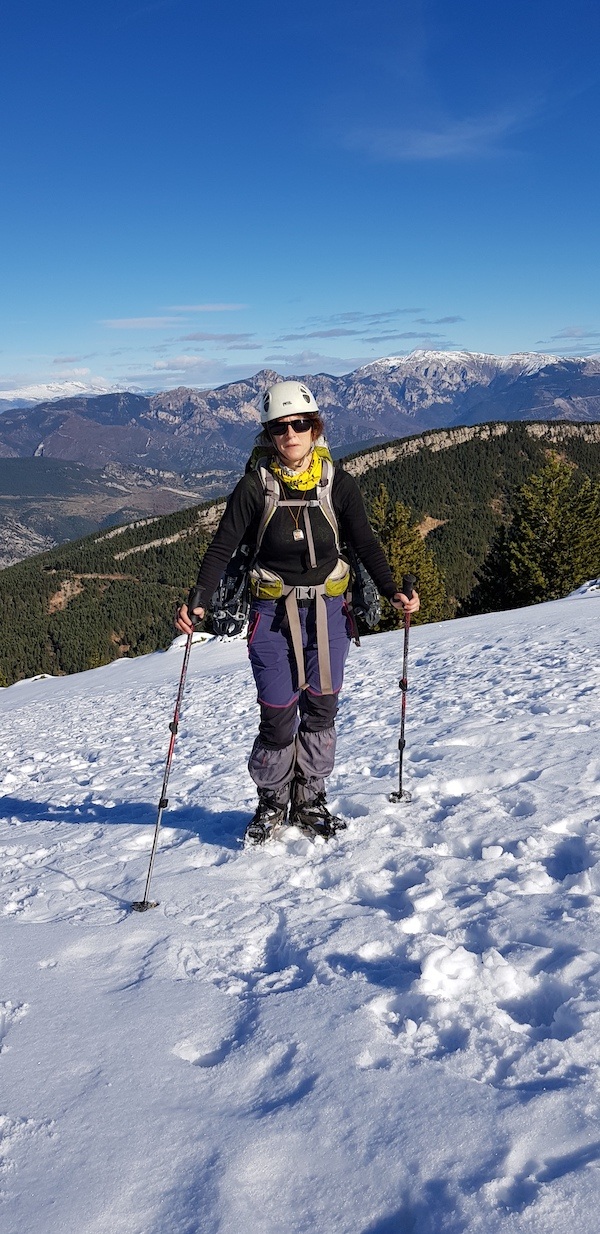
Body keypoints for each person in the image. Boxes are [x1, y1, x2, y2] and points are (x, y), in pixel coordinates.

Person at [175, 380, 419, 842]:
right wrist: (199, 601)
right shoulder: (254, 487)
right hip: (270, 614)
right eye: (280, 427)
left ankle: (309, 798)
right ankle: (273, 799)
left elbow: (365, 543)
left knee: (322, 707)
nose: (291, 434)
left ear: (315, 427)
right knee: (278, 711)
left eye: (300, 424)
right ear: (269, 434)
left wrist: (391, 590)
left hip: (328, 610)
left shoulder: (338, 484)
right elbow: (222, 547)